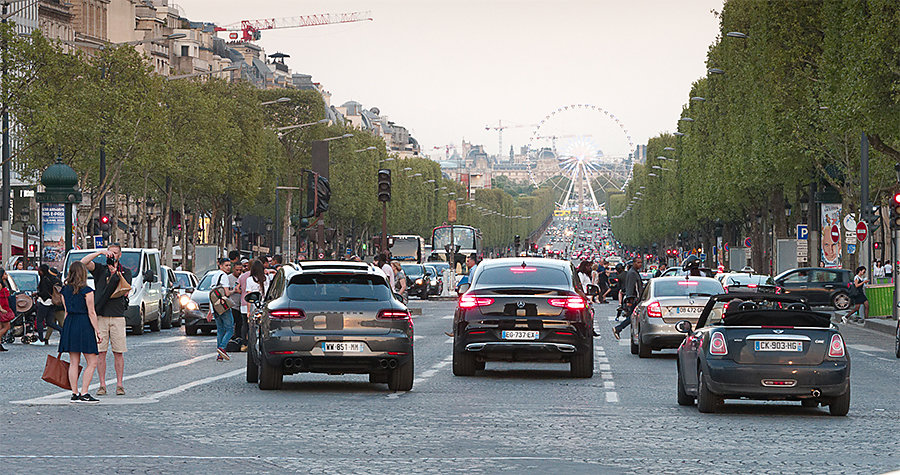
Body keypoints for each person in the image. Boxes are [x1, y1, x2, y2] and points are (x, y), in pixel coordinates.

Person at [81, 244, 132, 396]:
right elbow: (83, 262)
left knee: (119, 352)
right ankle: (102, 384)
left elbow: (126, 288)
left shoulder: (125, 272)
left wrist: (115, 273)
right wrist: (99, 253)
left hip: (117, 314)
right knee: (100, 352)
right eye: (110, 253)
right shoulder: (99, 269)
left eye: (115, 253)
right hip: (101, 315)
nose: (113, 256)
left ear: (120, 255)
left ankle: (119, 384)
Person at [58, 261, 102, 403]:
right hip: (83, 324)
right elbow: (91, 312)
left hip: (70, 323)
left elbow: (66, 311)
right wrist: (97, 331)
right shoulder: (87, 291)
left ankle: (75, 393)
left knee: (73, 361)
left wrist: (66, 329)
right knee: (92, 361)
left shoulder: (64, 290)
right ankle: (84, 392)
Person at [210, 258, 236, 361]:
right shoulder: (224, 277)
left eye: (230, 265)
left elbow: (212, 293)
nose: (229, 267)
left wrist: (210, 310)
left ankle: (219, 355)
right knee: (230, 329)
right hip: (223, 306)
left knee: (220, 330)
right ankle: (222, 347)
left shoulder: (214, 276)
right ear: (220, 266)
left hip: (215, 306)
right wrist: (234, 290)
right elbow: (227, 293)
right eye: (226, 265)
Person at [613, 257, 644, 340]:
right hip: (635, 299)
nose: (640, 264)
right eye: (638, 262)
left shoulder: (633, 272)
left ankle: (620, 329)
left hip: (635, 299)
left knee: (633, 317)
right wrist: (629, 299)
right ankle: (618, 328)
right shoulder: (632, 273)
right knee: (632, 317)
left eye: (641, 262)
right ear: (633, 263)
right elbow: (630, 287)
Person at [35, 264, 63, 346]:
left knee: (39, 321)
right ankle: (62, 330)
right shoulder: (54, 279)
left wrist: (38, 294)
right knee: (50, 322)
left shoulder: (44, 279)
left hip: (44, 302)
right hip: (52, 303)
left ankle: (41, 339)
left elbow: (44, 293)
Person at [228, 260, 245, 349]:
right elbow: (226, 292)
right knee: (231, 324)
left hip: (241, 306)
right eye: (237, 270)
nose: (238, 272)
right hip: (232, 305)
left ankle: (239, 340)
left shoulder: (243, 278)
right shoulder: (228, 278)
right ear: (233, 269)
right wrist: (234, 290)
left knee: (240, 324)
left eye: (240, 270)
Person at [0, 269, 14, 351]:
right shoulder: (0, 284)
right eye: (5, 274)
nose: (6, 275)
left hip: (4, 307)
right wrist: (1, 308)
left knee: (1, 326)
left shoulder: (4, 283)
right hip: (2, 308)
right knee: (6, 326)